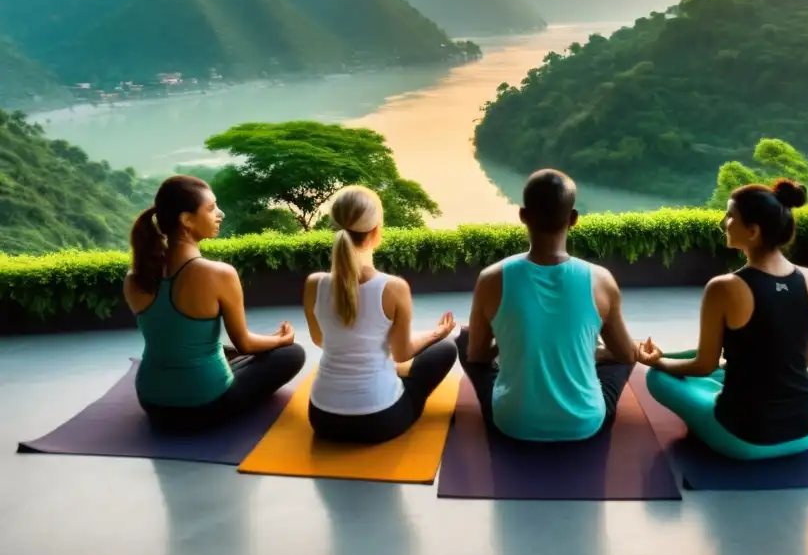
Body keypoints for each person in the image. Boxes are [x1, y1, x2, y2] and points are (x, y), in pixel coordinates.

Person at [638, 179, 808, 460]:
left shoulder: (724, 287)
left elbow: (705, 364)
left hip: (744, 437)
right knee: (724, 366)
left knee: (658, 378)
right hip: (805, 432)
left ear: (752, 231)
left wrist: (658, 362)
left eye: (730, 216)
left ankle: (699, 397)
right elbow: (805, 359)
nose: (723, 222)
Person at [457, 168, 638, 442]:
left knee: (464, 340)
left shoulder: (491, 278)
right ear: (574, 218)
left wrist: (512, 342)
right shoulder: (601, 280)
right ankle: (590, 356)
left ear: (523, 216)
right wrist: (596, 352)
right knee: (625, 354)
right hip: (583, 422)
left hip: (512, 422)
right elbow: (626, 355)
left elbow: (479, 356)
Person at [123, 175, 306, 433]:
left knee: (213, 347)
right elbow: (245, 343)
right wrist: (280, 340)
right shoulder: (219, 273)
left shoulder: (133, 279)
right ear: (186, 220)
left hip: (152, 401)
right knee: (292, 353)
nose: (220, 214)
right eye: (211, 209)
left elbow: (174, 333)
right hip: (205, 405)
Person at [303, 185, 458, 444]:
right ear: (376, 231)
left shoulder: (314, 284)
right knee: (445, 348)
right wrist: (437, 333)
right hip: (379, 420)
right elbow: (402, 353)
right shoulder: (394, 288)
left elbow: (321, 341)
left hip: (322, 418)